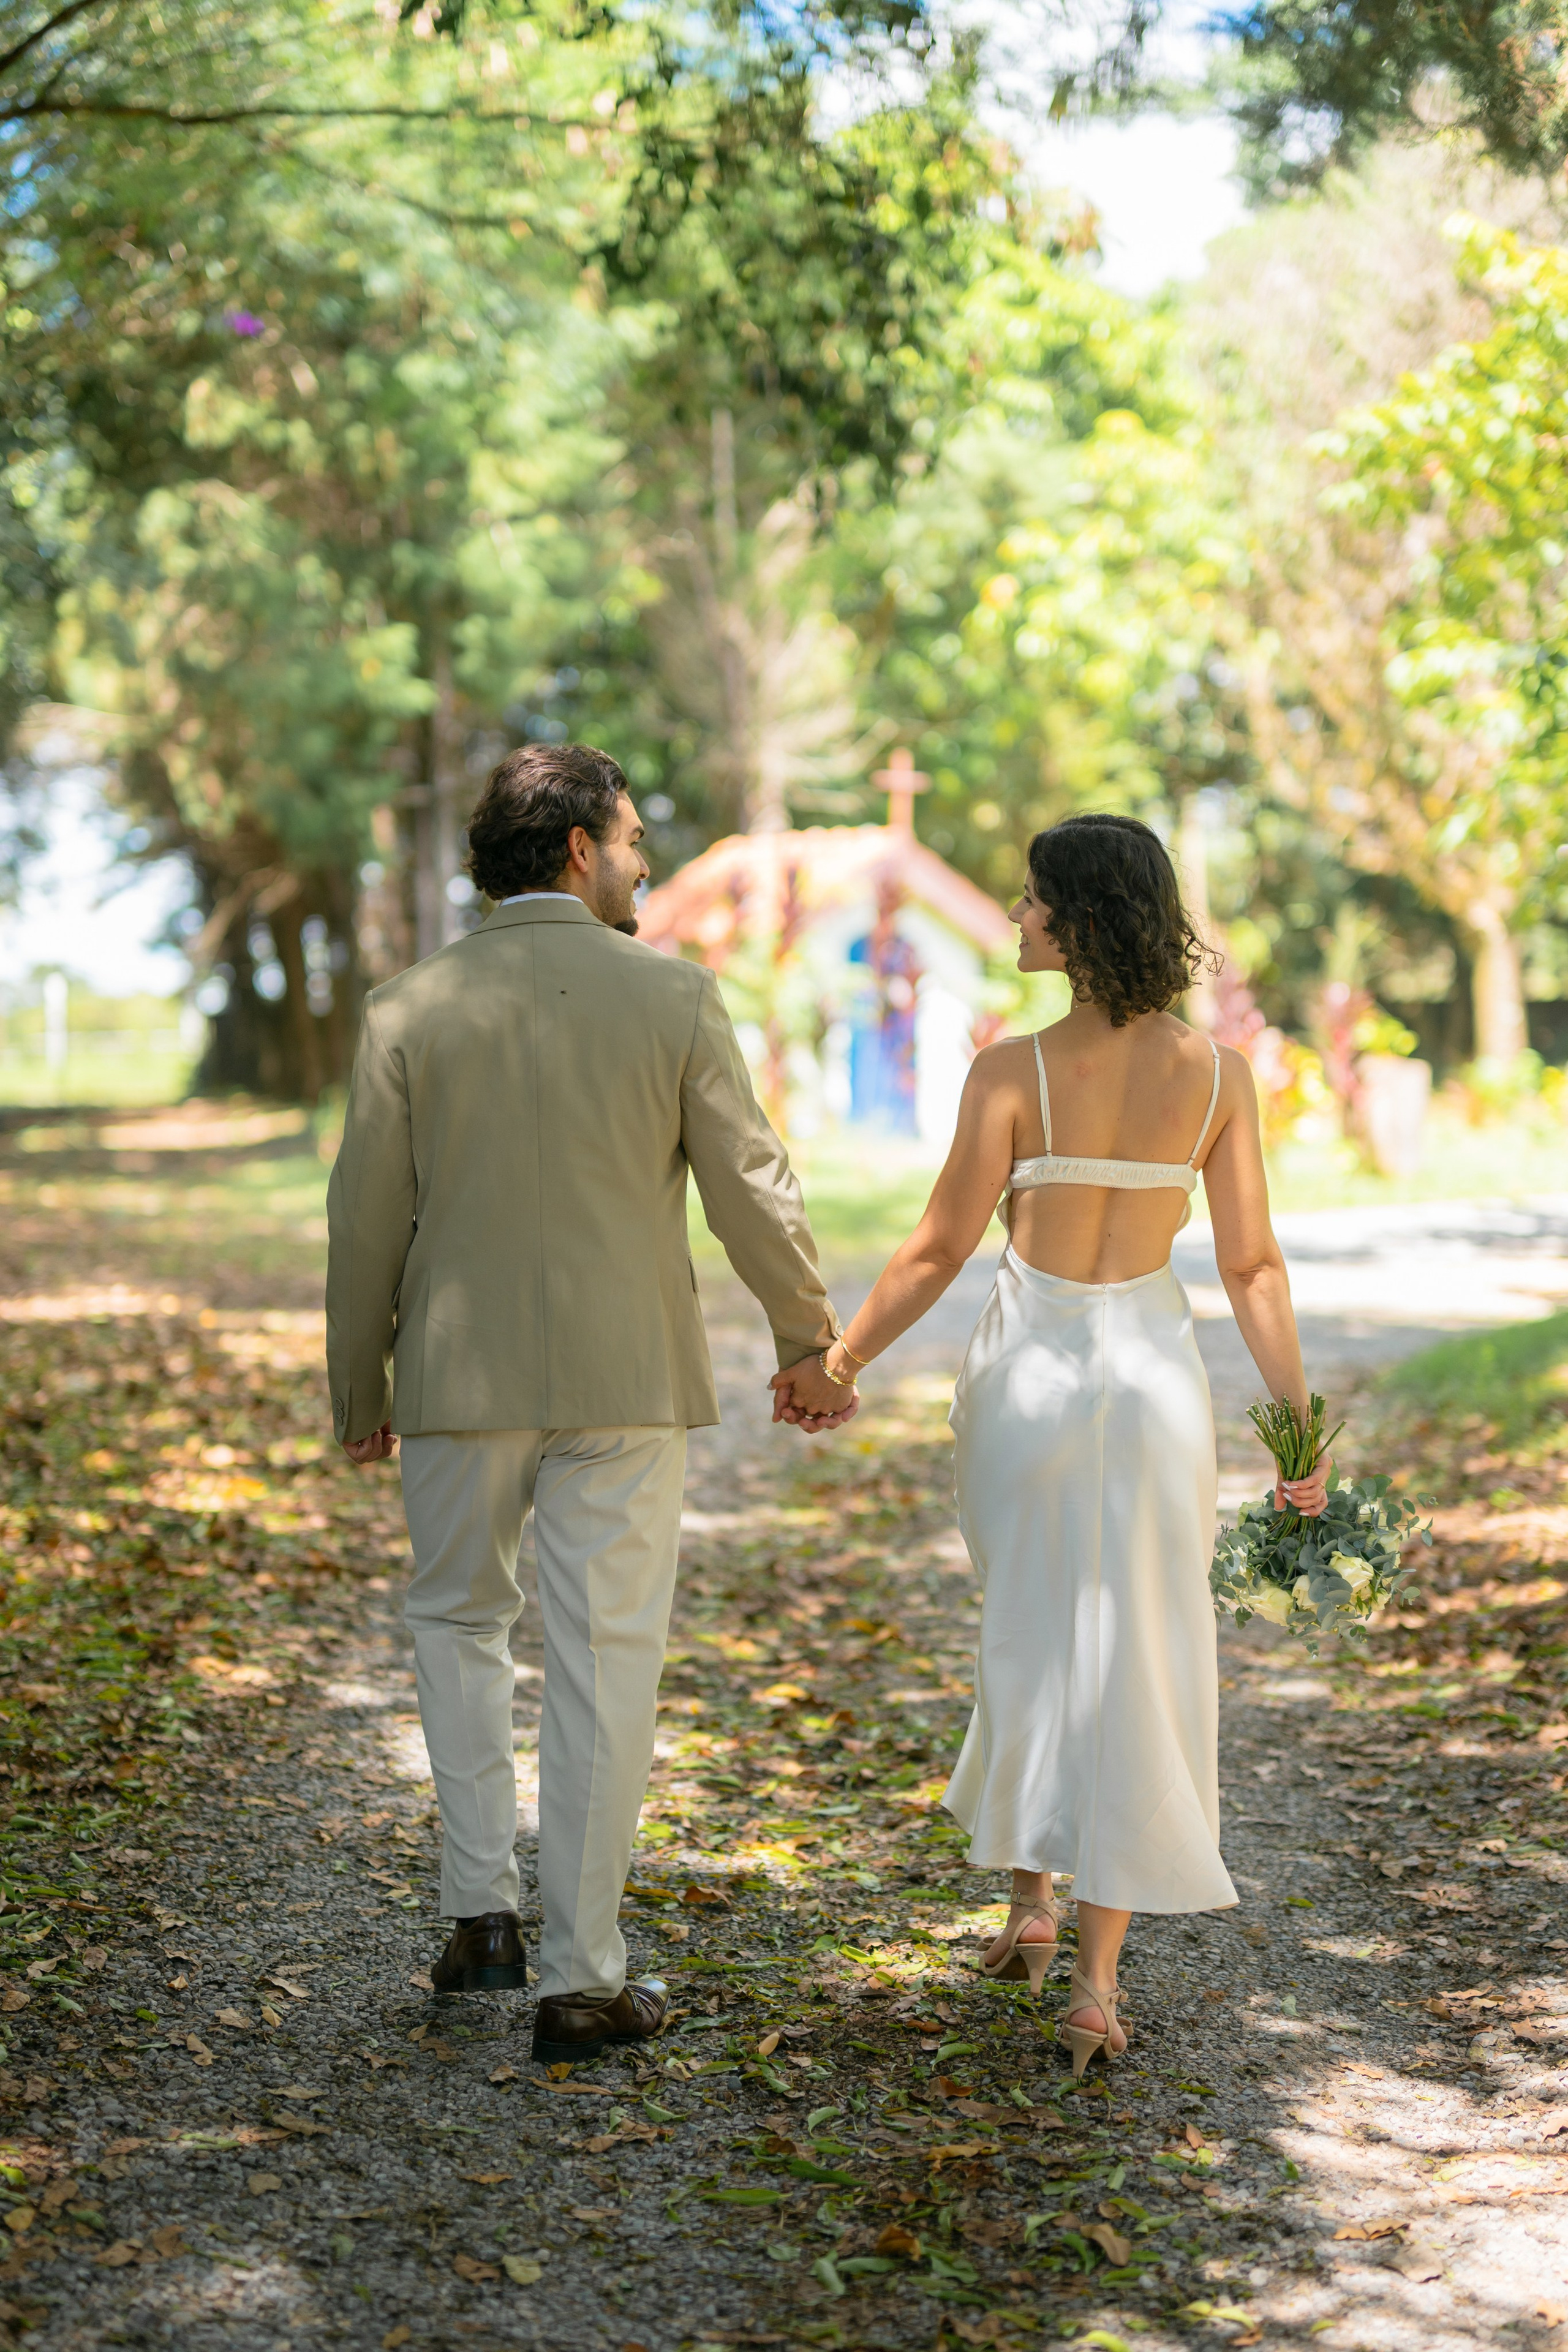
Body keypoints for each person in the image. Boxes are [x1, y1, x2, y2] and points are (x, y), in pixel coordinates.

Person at [772, 813, 1330, 2074]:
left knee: (1025, 1626)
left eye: (1030, 904)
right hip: (1148, 1385)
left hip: (1027, 1381)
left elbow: (931, 1250)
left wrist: (836, 1365)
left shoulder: (1006, 1070)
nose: (1015, 919)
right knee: (1138, 1649)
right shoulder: (1217, 1077)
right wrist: (1297, 1430)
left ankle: (1025, 1903)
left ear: (1075, 922)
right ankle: (1089, 1976)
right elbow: (1249, 1265)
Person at [326, 743, 854, 2065]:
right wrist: (806, 1339)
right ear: (574, 847)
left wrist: (358, 1382)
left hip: (456, 1378)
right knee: (604, 1656)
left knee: (453, 1621)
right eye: (629, 839)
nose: (642, 864)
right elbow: (751, 1182)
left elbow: (362, 1219)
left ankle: (477, 1919)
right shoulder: (672, 997)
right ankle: (582, 1975)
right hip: (624, 1379)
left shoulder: (407, 1006)